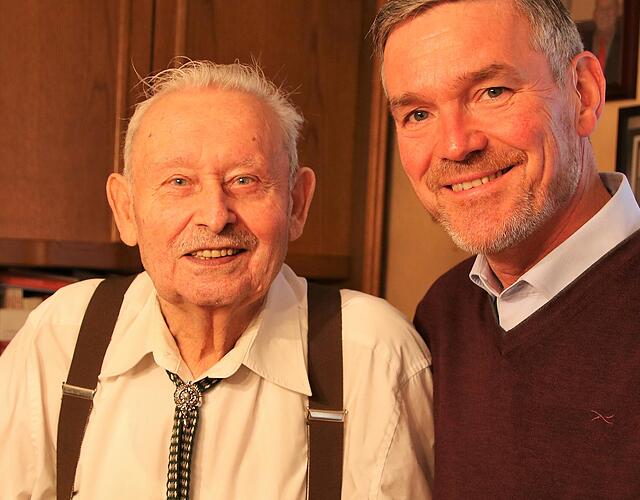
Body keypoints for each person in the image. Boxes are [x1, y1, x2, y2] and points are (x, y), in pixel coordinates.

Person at [371, 0, 640, 497]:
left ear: (583, 94)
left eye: (492, 91)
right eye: (418, 113)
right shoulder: (442, 314)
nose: (454, 145)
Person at [0, 61, 433, 499]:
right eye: (178, 182)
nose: (214, 215)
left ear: (297, 203)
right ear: (126, 210)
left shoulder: (373, 355)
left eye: (244, 180)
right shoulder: (60, 336)